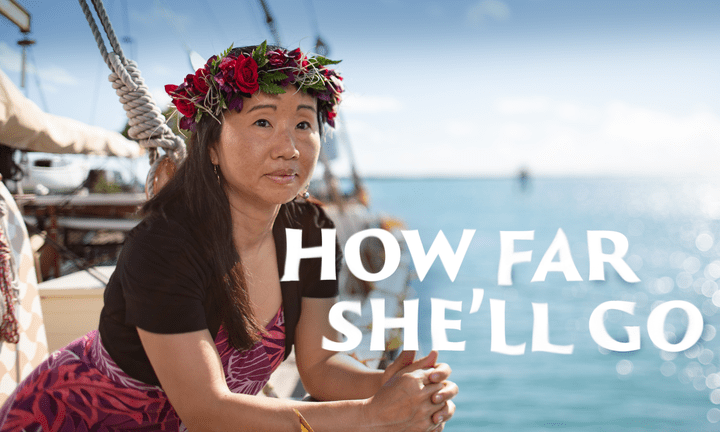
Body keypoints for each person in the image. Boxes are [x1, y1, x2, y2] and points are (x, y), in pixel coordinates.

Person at [0, 42, 457, 431]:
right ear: (212, 146)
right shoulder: (165, 246)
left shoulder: (310, 231)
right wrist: (369, 416)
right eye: (262, 122)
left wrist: (396, 389)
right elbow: (207, 410)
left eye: (303, 123)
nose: (289, 147)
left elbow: (318, 368)